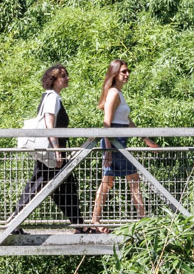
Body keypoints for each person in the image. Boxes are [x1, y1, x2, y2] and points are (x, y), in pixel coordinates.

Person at [14, 65, 92, 231]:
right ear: (54, 80)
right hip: (52, 154)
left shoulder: (52, 97)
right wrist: (57, 153)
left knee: (63, 188)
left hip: (52, 153)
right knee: (39, 186)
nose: (67, 78)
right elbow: (50, 126)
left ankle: (79, 225)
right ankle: (14, 223)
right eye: (63, 76)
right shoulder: (52, 98)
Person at [89, 58, 159, 229]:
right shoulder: (113, 93)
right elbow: (107, 123)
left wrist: (146, 139)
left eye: (128, 71)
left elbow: (127, 120)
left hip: (121, 142)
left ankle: (142, 219)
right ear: (115, 74)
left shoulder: (119, 93)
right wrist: (108, 151)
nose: (127, 74)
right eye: (123, 72)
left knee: (125, 180)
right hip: (113, 142)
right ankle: (96, 220)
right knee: (111, 181)